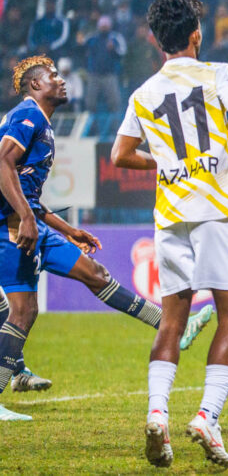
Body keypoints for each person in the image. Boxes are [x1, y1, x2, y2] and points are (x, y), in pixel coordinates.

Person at [111, 0, 228, 467]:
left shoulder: (143, 92)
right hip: (214, 212)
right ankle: (208, 416)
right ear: (196, 34)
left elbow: (120, 155)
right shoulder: (217, 73)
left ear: (157, 41)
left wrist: (164, 163)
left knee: (173, 318)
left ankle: (157, 412)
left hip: (170, 218)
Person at [0, 56, 214, 422]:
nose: (61, 80)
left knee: (94, 274)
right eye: (53, 76)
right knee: (21, 311)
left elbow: (25, 188)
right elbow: (2, 163)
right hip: (13, 227)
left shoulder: (39, 121)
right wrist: (25, 217)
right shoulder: (28, 114)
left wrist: (67, 229)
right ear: (35, 85)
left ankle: (173, 327)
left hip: (29, 223)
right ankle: (13, 376)